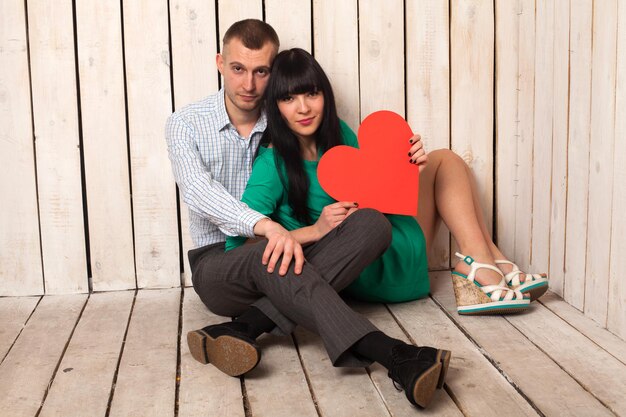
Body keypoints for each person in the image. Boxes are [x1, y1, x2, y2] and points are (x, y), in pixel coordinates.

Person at [166, 20, 450, 408]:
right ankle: (395, 354)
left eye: (261, 71)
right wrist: (286, 229)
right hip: (223, 260)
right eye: (238, 69)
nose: (248, 84)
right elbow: (200, 193)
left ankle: (246, 327)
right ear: (220, 63)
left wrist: (404, 163)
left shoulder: (287, 124)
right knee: (275, 253)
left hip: (285, 258)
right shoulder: (187, 124)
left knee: (369, 225)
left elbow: (371, 184)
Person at [226, 48, 548, 318]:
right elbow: (239, 249)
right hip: (365, 271)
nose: (304, 108)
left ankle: (487, 260)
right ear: (276, 106)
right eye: (289, 98)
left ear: (325, 95)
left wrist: (407, 171)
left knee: (445, 160)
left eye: (312, 93)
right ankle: (484, 271)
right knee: (432, 177)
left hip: (394, 242)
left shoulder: (338, 134)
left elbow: (378, 193)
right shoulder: (272, 164)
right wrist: (316, 230)